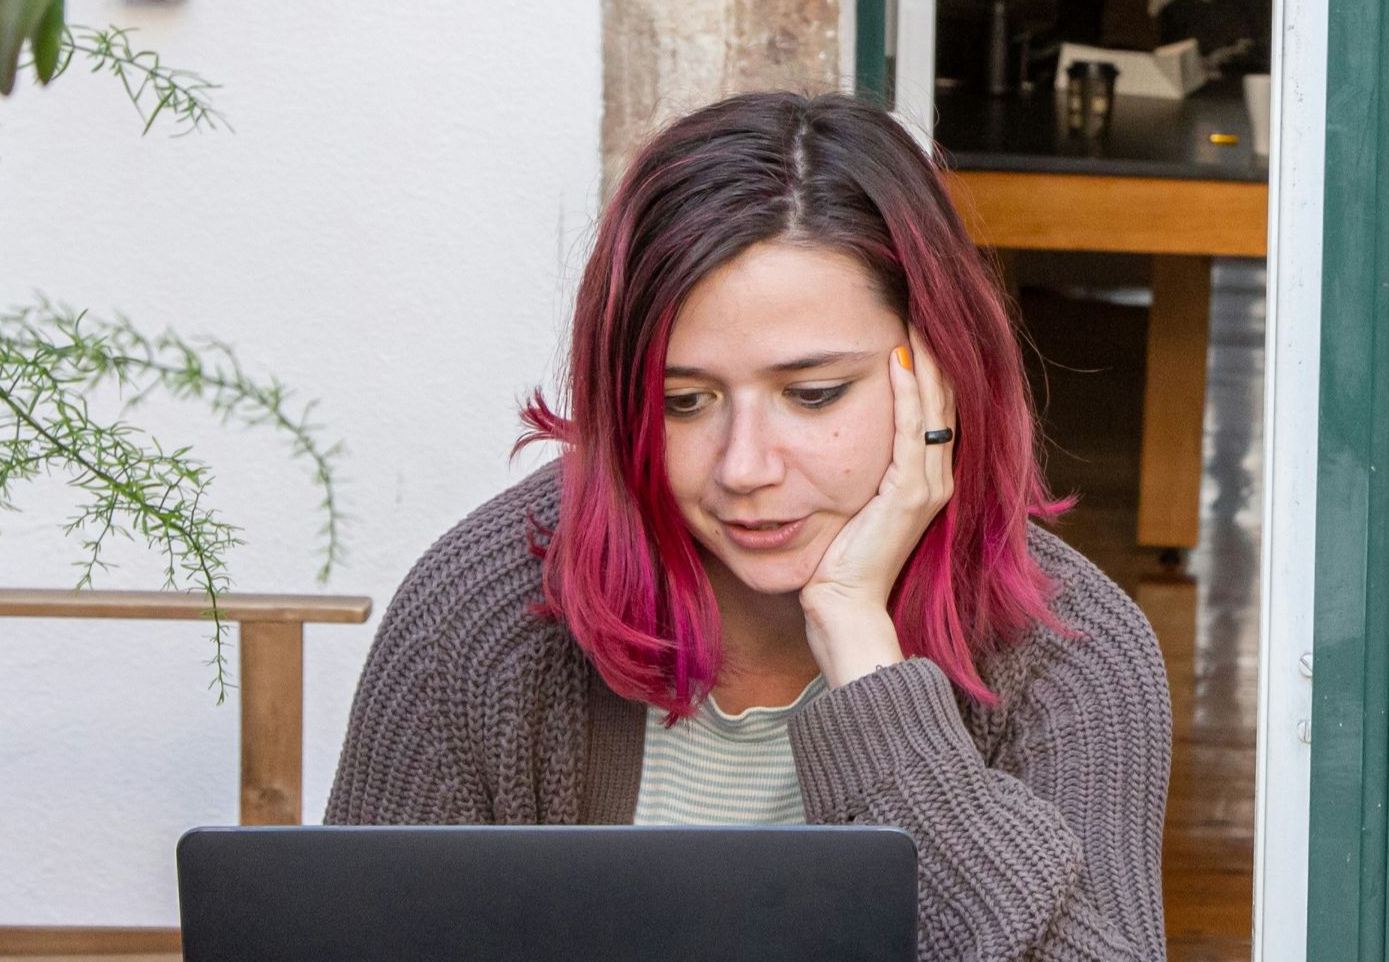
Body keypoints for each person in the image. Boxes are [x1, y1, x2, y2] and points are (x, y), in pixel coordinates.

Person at [325, 91, 1171, 960]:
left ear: (942, 373)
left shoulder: (1068, 653)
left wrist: (865, 661)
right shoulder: (488, 612)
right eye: (683, 403)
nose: (744, 467)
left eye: (812, 395)